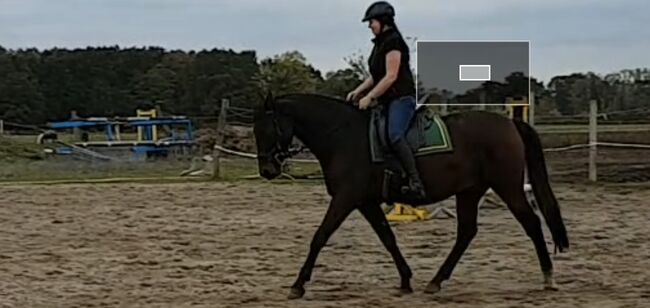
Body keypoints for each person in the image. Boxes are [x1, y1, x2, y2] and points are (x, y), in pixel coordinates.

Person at [346, 1, 426, 199]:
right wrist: (357, 91)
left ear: (383, 21)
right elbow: (376, 75)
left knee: (395, 135)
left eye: (371, 22)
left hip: (402, 98)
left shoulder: (393, 42)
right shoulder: (380, 44)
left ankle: (415, 181)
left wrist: (370, 96)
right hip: (387, 101)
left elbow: (390, 76)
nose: (369, 26)